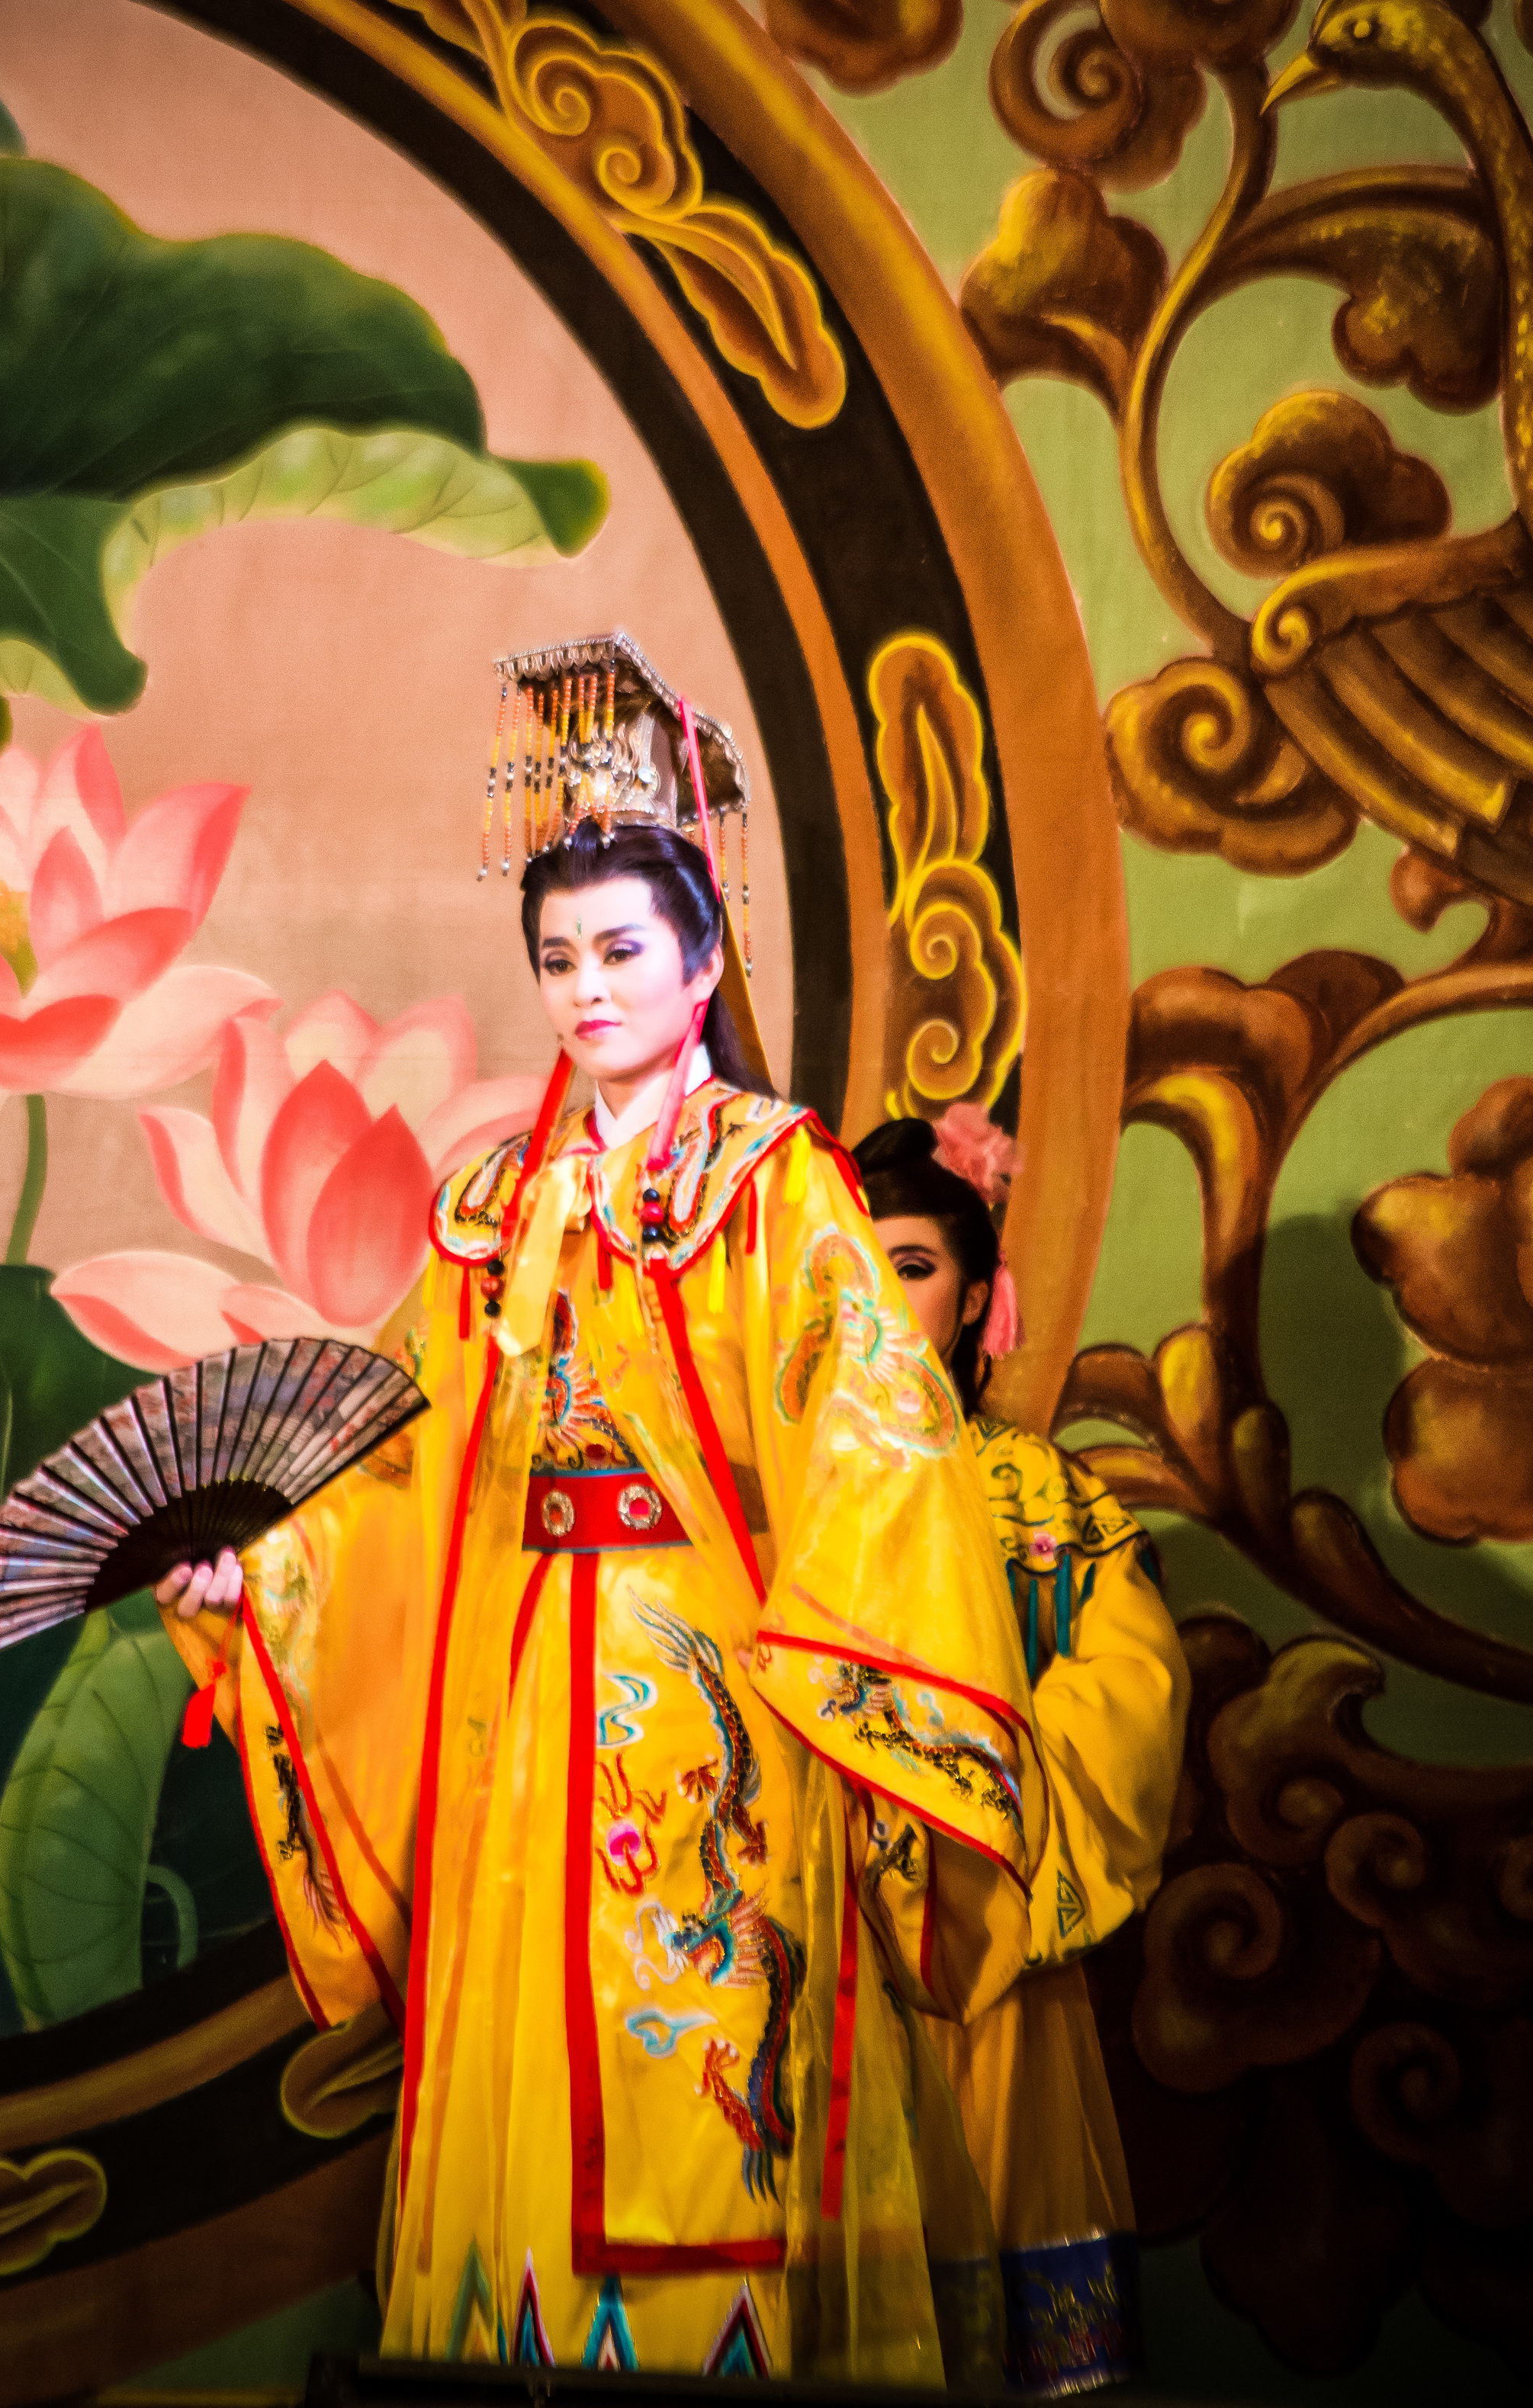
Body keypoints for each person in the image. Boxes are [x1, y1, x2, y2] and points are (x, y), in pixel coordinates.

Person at [153, 637, 1052, 2385]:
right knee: (519, 2068)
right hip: (518, 1713)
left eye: (622, 951)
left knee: (703, 2078)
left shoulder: (776, 1183)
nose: (585, 990)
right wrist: (263, 1573)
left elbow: (876, 1440)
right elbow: (400, 1454)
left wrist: (826, 1660)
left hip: (712, 1692)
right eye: (557, 958)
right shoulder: (492, 1205)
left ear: (703, 960)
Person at [852, 1107, 1191, 2394]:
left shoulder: (1039, 1493)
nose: (880, 1299)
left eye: (913, 1267)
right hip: (822, 1939)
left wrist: (973, 1804)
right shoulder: (769, 1492)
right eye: (852, 1268)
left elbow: (1131, 1690)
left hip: (989, 1927)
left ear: (977, 1294)